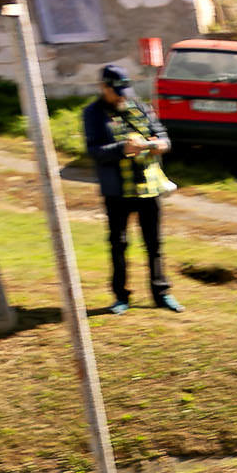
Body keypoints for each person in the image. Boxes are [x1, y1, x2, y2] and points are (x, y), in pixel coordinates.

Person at [81, 62, 182, 313]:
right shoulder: (93, 113)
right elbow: (93, 151)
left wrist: (161, 145)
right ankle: (121, 297)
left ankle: (161, 294)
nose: (121, 97)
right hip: (117, 191)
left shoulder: (140, 107)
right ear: (103, 87)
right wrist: (121, 148)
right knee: (119, 244)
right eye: (116, 92)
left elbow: (163, 136)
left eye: (124, 91)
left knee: (154, 244)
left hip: (148, 187)